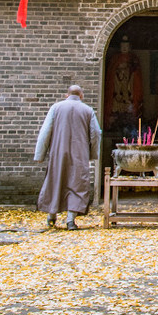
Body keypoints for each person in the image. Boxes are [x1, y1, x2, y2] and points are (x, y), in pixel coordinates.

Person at [34, 85, 101, 230]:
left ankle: (51, 216)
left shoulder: (56, 108)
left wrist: (40, 154)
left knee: (56, 181)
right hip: (80, 152)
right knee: (77, 184)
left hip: (58, 151)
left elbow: (45, 131)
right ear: (81, 95)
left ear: (67, 95)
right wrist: (93, 153)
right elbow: (96, 133)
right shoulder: (88, 110)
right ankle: (70, 219)